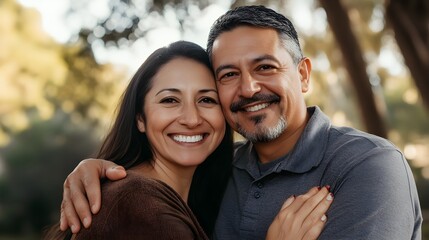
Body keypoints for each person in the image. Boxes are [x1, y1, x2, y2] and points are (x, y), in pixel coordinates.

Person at [59, 5, 422, 240]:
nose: (249, 88)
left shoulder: (367, 165)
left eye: (265, 67)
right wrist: (102, 171)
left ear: (303, 75)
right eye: (229, 74)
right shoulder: (219, 168)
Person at [44, 40, 333, 240]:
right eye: (170, 100)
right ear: (140, 119)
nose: (192, 119)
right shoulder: (136, 203)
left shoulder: (200, 194)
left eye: (206, 99)